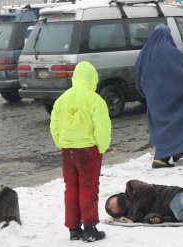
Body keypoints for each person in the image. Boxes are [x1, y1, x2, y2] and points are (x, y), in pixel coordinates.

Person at [50, 61, 112, 242]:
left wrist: (60, 143)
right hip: (88, 150)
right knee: (88, 188)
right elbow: (102, 128)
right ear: (93, 79)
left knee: (71, 188)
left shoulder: (62, 99)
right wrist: (102, 147)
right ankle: (90, 228)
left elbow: (54, 124)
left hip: (68, 150)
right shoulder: (95, 100)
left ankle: (74, 228)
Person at [135, 24, 183, 169]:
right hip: (169, 97)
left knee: (161, 126)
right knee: (174, 124)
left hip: (153, 98)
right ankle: (160, 158)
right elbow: (181, 75)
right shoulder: (171, 52)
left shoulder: (145, 52)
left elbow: (138, 75)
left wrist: (146, 92)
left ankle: (173, 153)